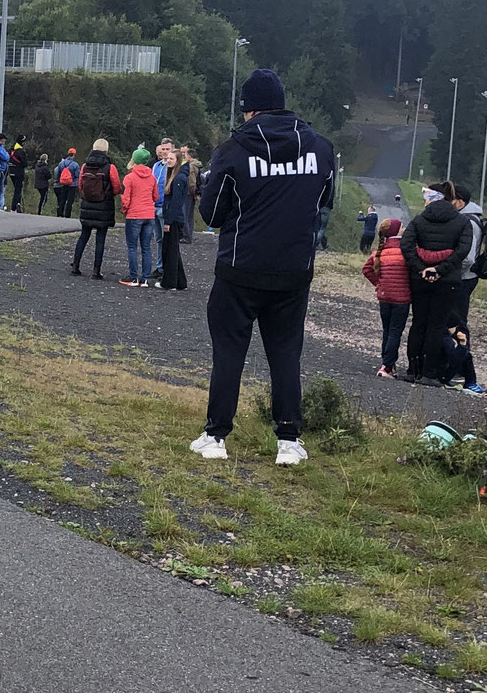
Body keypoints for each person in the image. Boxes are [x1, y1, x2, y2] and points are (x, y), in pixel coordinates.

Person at [191, 67, 335, 465]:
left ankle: (216, 435)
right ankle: (289, 441)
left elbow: (214, 214)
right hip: (293, 271)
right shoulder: (321, 148)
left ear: (248, 110)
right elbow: (324, 202)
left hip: (240, 269)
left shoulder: (233, 150)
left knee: (229, 353)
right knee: (287, 355)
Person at [400, 181, 469, 382]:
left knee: (418, 323)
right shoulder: (461, 222)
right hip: (447, 281)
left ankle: (413, 370)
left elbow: (406, 245)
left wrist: (421, 269)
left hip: (419, 280)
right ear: (452, 199)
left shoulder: (419, 220)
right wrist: (440, 270)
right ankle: (430, 373)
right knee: (437, 326)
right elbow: (462, 251)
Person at [362, 217, 411, 377]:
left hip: (384, 297)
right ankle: (387, 366)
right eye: (401, 227)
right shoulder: (405, 251)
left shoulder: (380, 251)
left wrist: (379, 283)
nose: (403, 228)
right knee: (395, 332)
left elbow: (367, 269)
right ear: (397, 231)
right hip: (402, 298)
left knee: (386, 330)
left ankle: (387, 362)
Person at [71, 138, 120, 276]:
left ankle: (75, 265)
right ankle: (96, 271)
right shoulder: (110, 167)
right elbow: (116, 187)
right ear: (106, 149)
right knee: (100, 239)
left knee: (83, 236)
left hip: (87, 205)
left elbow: (80, 185)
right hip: (103, 206)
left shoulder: (85, 166)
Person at [120, 147, 159, 287]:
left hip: (134, 214)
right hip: (149, 214)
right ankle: (146, 278)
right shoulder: (152, 177)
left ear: (134, 160)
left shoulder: (129, 177)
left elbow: (126, 198)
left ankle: (133, 276)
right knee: (146, 247)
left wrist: (125, 210)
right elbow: (156, 196)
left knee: (132, 246)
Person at [158, 140, 192, 291]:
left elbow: (177, 203)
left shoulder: (178, 179)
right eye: (168, 158)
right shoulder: (174, 176)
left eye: (171, 159)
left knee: (170, 251)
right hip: (173, 217)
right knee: (173, 250)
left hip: (174, 218)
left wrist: (168, 221)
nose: (168, 161)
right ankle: (180, 281)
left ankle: (170, 282)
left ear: (177, 161)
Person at [452, 183, 483, 330]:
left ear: (459, 202)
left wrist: (453, 269)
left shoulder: (468, 222)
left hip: (464, 277)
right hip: (468, 276)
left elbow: (468, 257)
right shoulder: (473, 217)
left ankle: (461, 351)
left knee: (457, 321)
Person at [54, 147, 80, 218]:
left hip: (63, 184)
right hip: (72, 184)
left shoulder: (61, 163)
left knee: (63, 199)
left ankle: (60, 213)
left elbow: (58, 173)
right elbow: (77, 175)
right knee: (70, 200)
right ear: (74, 155)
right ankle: (67, 215)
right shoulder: (75, 165)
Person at [9, 136, 29, 212]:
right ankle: (14, 206)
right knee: (18, 190)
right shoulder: (20, 151)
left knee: (16, 189)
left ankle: (17, 204)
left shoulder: (12, 150)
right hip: (19, 172)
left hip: (11, 171)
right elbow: (25, 163)